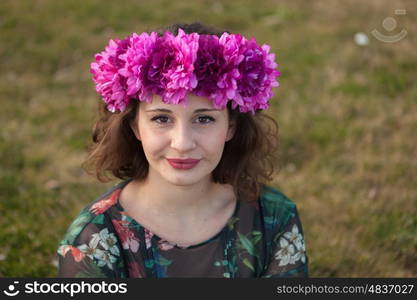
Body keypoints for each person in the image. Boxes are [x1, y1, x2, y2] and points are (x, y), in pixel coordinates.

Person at [56, 22, 308, 278]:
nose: (183, 143)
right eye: (161, 119)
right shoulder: (95, 239)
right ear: (135, 127)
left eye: (204, 119)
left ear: (230, 127)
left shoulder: (274, 218)